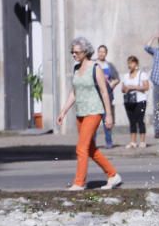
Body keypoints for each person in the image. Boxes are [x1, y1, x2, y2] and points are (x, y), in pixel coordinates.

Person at [56, 36, 122, 191]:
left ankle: (79, 183)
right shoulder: (76, 69)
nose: (73, 55)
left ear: (85, 52)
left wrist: (109, 115)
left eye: (76, 52)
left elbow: (105, 92)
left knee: (81, 148)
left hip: (94, 111)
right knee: (90, 149)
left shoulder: (95, 68)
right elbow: (74, 92)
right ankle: (113, 175)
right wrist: (63, 111)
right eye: (72, 52)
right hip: (80, 113)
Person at [122, 55, 150, 149]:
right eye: (128, 63)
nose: (130, 65)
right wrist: (125, 89)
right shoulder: (126, 76)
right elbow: (122, 88)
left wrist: (133, 87)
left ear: (136, 64)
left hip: (140, 100)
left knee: (140, 120)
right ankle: (133, 141)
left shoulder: (142, 74)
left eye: (131, 63)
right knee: (132, 121)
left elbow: (146, 87)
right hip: (129, 101)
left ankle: (142, 141)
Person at [95, 45, 120, 148]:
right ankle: (92, 144)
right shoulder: (94, 64)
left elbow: (117, 78)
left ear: (106, 53)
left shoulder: (109, 65)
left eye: (103, 52)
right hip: (95, 97)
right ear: (97, 52)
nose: (101, 53)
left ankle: (109, 142)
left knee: (107, 120)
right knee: (94, 122)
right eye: (100, 51)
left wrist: (112, 83)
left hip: (107, 97)